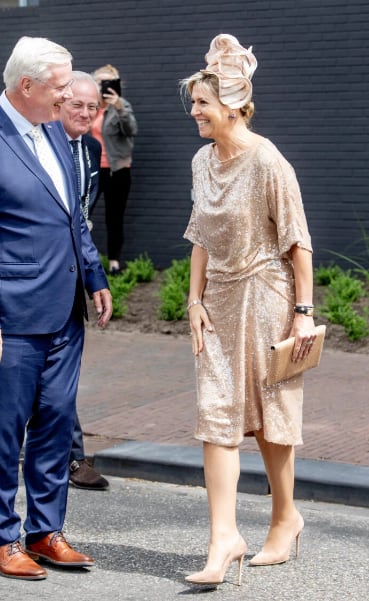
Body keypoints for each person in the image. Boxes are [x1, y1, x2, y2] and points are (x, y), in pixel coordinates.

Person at [181, 34, 316, 586]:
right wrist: (194, 297)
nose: (194, 112)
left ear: (232, 106)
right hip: (218, 302)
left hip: (268, 297)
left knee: (269, 420)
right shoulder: (201, 160)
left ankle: (286, 517)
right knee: (217, 415)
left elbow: (298, 242)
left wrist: (303, 313)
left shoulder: (268, 160)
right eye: (192, 102)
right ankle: (223, 539)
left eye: (201, 104)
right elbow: (200, 234)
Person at [0, 36, 112, 581]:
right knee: (0, 432)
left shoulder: (56, 133)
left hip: (64, 314)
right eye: (61, 89)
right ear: (26, 86)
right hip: (9, 318)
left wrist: (94, 274)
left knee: (56, 425)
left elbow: (72, 217)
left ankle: (44, 530)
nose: (69, 99)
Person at [60, 70, 109, 490]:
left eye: (93, 107)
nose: (86, 113)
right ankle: (72, 456)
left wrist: (95, 275)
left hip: (73, 270)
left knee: (58, 373)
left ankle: (72, 458)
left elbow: (81, 217)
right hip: (30, 276)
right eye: (77, 104)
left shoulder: (92, 147)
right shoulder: (38, 145)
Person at [91, 64, 138, 275]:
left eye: (109, 82)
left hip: (117, 170)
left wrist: (118, 106)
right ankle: (79, 259)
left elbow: (131, 130)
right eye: (100, 82)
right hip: (91, 170)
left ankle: (114, 262)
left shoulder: (122, 106)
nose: (104, 85)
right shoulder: (88, 106)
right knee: (82, 215)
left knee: (114, 218)